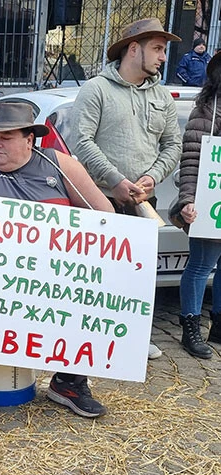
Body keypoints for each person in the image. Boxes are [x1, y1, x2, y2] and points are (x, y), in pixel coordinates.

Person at [0, 101, 115, 428]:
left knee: (88, 295)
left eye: (6, 137)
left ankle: (69, 382)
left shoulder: (60, 166)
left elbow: (105, 216)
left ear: (30, 139)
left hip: (51, 279)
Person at [70, 17, 182, 361]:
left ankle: (132, 339)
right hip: (100, 200)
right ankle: (86, 341)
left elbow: (172, 144)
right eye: (158, 49)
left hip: (144, 203)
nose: (163, 57)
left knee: (139, 275)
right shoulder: (96, 90)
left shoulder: (162, 96)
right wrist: (116, 180)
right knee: (95, 276)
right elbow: (81, 141)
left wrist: (152, 177)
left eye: (164, 50)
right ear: (134, 49)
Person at [170, 52, 221, 359]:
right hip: (209, 204)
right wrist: (188, 200)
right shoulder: (204, 111)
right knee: (202, 265)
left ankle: (219, 325)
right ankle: (191, 328)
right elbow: (191, 160)